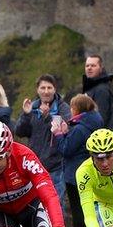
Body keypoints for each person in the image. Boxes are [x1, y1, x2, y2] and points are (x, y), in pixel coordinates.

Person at [57, 94, 104, 227]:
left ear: (77, 108)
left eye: (72, 107)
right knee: (88, 209)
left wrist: (59, 134)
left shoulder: (79, 129)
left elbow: (66, 149)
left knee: (77, 210)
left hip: (75, 173)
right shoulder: (94, 122)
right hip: (89, 171)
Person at [16, 74, 72, 204]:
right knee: (35, 205)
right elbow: (20, 131)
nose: (46, 91)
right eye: (43, 88)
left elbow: (66, 130)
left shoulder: (63, 108)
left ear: (55, 89)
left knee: (55, 204)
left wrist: (47, 117)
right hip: (34, 166)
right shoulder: (32, 107)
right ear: (37, 90)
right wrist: (26, 114)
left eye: (49, 88)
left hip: (56, 166)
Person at [82, 54, 113, 131]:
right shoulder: (90, 87)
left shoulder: (101, 89)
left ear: (101, 68)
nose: (89, 68)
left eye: (93, 66)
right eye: (87, 66)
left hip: (101, 137)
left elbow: (101, 118)